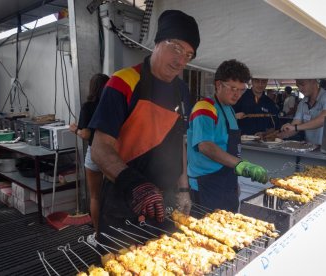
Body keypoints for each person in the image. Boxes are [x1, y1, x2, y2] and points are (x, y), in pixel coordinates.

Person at [88, 10, 200, 243]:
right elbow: (99, 149)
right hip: (125, 198)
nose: (181, 61)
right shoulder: (124, 82)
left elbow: (180, 141)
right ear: (157, 42)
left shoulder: (182, 91)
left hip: (166, 201)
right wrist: (136, 186)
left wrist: (183, 189)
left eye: (188, 55)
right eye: (176, 47)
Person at [187, 59, 268, 212]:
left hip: (226, 182)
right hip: (205, 185)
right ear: (218, 85)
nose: (237, 94)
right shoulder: (205, 108)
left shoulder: (230, 110)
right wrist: (241, 165)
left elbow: (229, 147)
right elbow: (205, 146)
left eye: (241, 89)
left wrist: (233, 182)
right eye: (232, 88)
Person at [69, 73, 109, 234]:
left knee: (95, 197)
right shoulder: (113, 105)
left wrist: (75, 130)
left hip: (95, 152)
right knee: (113, 194)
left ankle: (98, 234)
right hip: (115, 153)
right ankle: (114, 230)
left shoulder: (88, 106)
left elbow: (85, 134)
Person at [279, 79, 326, 145]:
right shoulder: (302, 103)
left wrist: (295, 127)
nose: (300, 89)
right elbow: (295, 125)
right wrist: (284, 133)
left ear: (314, 81)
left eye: (302, 84)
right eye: (298, 86)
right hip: (312, 150)